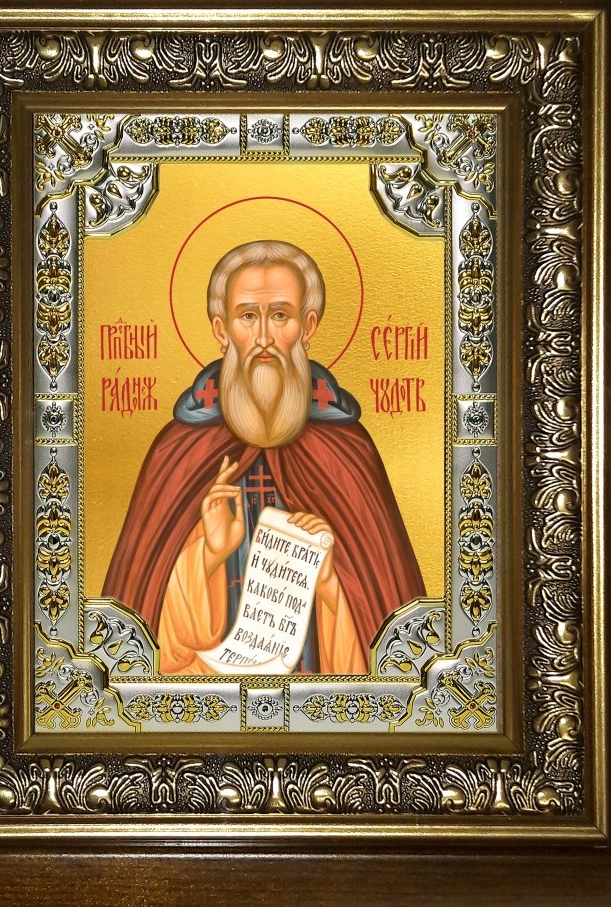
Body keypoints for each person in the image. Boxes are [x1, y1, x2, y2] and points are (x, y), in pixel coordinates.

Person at [102, 240, 425, 674]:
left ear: (308, 326)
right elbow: (146, 635)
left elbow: (387, 631)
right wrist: (209, 554)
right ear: (222, 330)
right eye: (248, 317)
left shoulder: (347, 450)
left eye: (280, 315)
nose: (264, 338)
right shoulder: (178, 451)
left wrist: (330, 580)